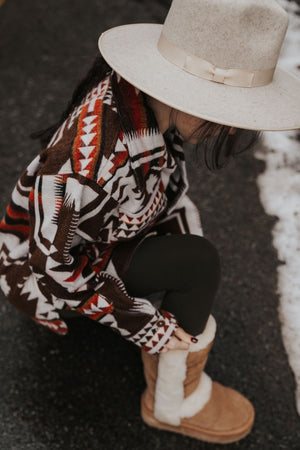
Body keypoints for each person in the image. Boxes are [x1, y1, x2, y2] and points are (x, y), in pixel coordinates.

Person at [0, 0, 300, 444]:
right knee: (199, 264)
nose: (230, 130)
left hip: (94, 240)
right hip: (51, 271)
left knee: (192, 258)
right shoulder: (91, 161)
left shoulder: (145, 111)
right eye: (224, 113)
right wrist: (149, 325)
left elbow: (169, 198)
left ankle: (174, 358)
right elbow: (54, 267)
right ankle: (172, 402)